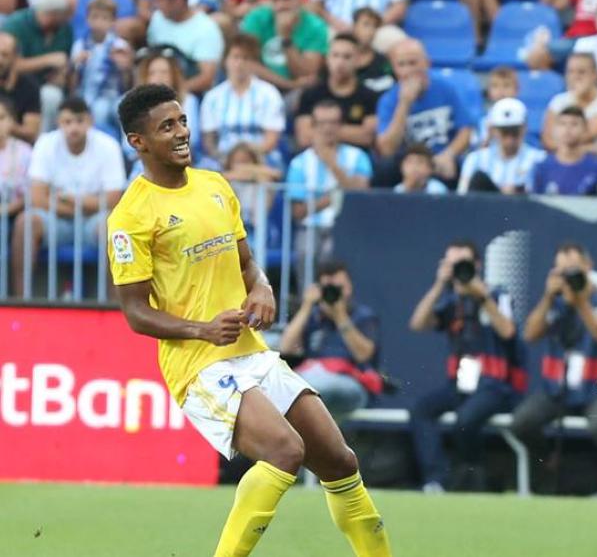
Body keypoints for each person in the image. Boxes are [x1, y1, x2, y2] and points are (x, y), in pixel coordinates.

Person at [108, 84, 392, 557]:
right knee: (285, 451)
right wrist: (201, 328)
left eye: (182, 121)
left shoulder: (215, 186)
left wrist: (262, 286)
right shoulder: (131, 216)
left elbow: (247, 263)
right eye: (167, 127)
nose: (181, 133)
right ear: (138, 142)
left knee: (341, 462)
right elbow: (135, 312)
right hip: (200, 365)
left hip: (251, 354)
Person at [408, 239, 522, 493]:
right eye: (452, 263)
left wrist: (481, 296)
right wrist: (440, 283)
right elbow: (418, 323)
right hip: (459, 384)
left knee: (466, 418)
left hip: (495, 386)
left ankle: (471, 478)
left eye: (463, 263)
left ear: (477, 265)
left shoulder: (495, 294)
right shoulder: (450, 300)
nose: (458, 269)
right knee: (421, 410)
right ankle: (434, 480)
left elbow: (507, 331)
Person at [512, 242, 597, 480]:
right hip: (558, 391)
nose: (569, 277)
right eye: (563, 271)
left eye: (574, 269)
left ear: (589, 266)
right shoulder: (556, 302)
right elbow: (530, 334)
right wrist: (548, 297)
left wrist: (582, 303)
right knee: (523, 421)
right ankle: (547, 467)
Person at [10, 96, 124, 294]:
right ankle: (22, 302)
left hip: (93, 221)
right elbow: (36, 198)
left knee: (114, 225)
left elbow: (114, 200)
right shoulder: (46, 143)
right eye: (67, 122)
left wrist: (71, 199)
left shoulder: (108, 145)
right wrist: (85, 204)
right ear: (59, 123)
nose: (74, 128)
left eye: (79, 121)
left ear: (90, 121)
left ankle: (116, 306)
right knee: (25, 223)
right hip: (57, 220)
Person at [279, 259, 382, 419]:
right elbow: (285, 347)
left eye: (338, 288)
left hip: (349, 382)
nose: (333, 293)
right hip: (312, 378)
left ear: (349, 287)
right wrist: (307, 305)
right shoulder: (312, 317)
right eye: (328, 289)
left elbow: (364, 355)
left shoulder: (362, 316)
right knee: (288, 386)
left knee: (313, 388)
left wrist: (340, 316)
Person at [286, 100, 374, 274]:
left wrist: (330, 162)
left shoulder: (358, 156)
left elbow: (361, 195)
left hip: (348, 225)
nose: (328, 128)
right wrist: (334, 197)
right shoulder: (299, 163)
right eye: (322, 123)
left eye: (333, 123)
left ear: (341, 125)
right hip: (311, 227)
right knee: (306, 251)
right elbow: (297, 212)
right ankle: (307, 298)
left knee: (335, 251)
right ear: (313, 126)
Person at [375, 38, 473, 181]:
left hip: (442, 156)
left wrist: (448, 155)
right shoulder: (389, 100)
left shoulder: (446, 89)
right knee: (384, 169)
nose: (408, 70)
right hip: (408, 163)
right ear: (394, 69)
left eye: (413, 63)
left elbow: (466, 131)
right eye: (401, 65)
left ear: (427, 63)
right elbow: (387, 149)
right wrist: (404, 104)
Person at [200, 35, 285, 167]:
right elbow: (209, 140)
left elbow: (272, 139)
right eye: (235, 57)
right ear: (225, 61)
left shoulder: (269, 94)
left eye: (245, 58)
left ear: (254, 63)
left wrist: (246, 156)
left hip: (260, 157)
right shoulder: (212, 97)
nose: (239, 63)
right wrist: (227, 159)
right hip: (223, 158)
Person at [3, 0, 76, 130]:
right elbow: (6, 65)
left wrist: (63, 74)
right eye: (68, 13)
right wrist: (48, 60)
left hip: (47, 86)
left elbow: (66, 63)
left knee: (51, 96)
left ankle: (43, 140)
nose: (70, 18)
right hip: (16, 87)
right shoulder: (15, 24)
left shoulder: (65, 30)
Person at [239, 0, 328, 93]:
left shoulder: (315, 26)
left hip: (298, 91)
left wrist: (286, 39)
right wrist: (288, 84)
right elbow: (246, 62)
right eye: (275, 0)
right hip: (261, 87)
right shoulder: (256, 19)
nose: (280, 5)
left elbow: (308, 73)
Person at [294, 33, 379, 151]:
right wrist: (351, 132)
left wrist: (323, 130)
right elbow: (304, 137)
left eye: (347, 57)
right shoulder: (311, 94)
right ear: (327, 59)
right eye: (335, 55)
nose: (340, 62)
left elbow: (367, 137)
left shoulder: (370, 96)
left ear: (358, 60)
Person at [145, 0, 223, 94]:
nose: (156, 6)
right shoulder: (157, 18)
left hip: (189, 96)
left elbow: (207, 78)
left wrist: (171, 93)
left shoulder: (206, 28)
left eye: (160, 0)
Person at [70, 0, 133, 139]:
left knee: (114, 108)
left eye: (105, 18)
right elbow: (72, 85)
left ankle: (126, 147)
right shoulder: (80, 46)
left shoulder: (120, 46)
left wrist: (125, 68)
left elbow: (128, 83)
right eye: (95, 17)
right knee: (93, 108)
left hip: (112, 94)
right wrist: (75, 66)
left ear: (113, 22)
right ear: (87, 19)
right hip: (85, 94)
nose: (99, 22)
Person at [457, 97, 545, 194]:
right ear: (494, 131)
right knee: (479, 179)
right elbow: (463, 198)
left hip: (524, 207)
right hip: (485, 208)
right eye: (504, 132)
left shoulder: (539, 159)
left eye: (514, 131)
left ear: (524, 128)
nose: (509, 138)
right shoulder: (475, 160)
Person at [530, 106, 597, 195]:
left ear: (584, 129)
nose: (568, 129)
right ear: (554, 130)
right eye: (562, 124)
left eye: (574, 124)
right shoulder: (542, 168)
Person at [542, 51, 597, 155]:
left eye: (581, 72)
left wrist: (577, 99)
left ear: (595, 74)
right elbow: (547, 141)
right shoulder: (558, 101)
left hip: (596, 166)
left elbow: (586, 136)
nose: (575, 77)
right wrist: (585, 149)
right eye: (571, 72)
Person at [0, 32, 39, 142]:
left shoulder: (28, 85)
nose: (0, 60)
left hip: (16, 147)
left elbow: (32, 132)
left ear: (15, 57)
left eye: (5, 54)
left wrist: (7, 125)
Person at [0, 94, 31, 216]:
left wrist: (6, 210)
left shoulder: (25, 152)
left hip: (15, 215)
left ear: (12, 121)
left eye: (1, 118)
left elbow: (31, 193)